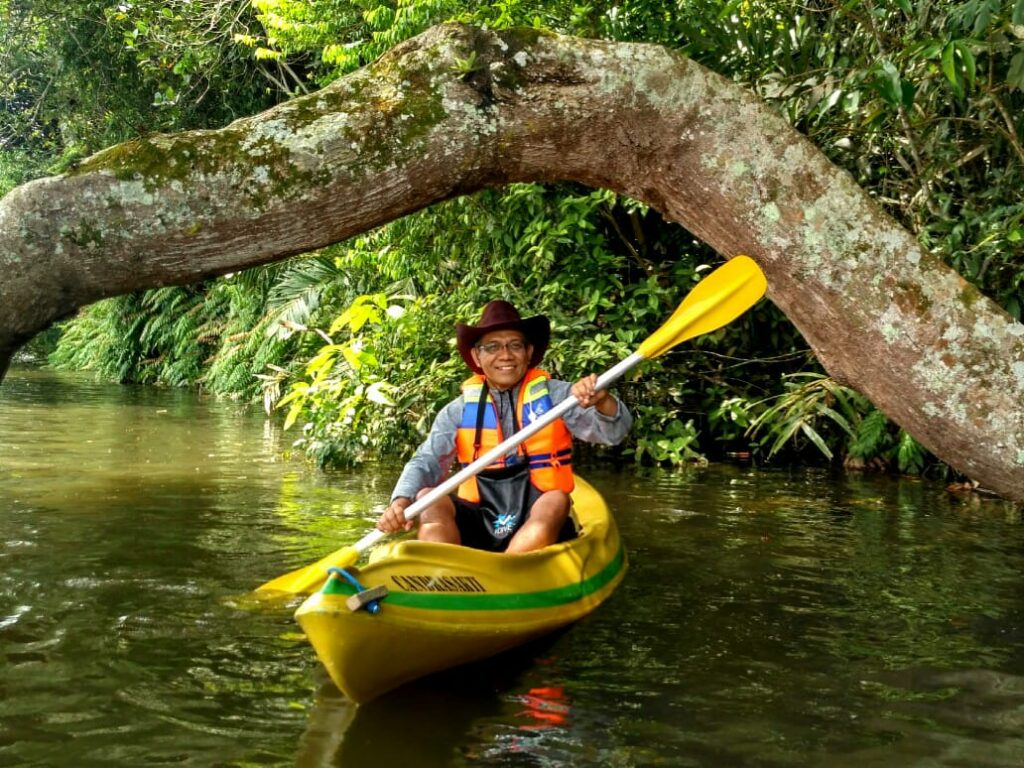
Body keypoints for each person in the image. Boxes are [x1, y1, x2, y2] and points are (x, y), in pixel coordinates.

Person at [376, 300, 632, 554]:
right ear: (478, 355)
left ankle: (509, 568)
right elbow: (427, 461)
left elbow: (613, 433)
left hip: (537, 513)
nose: (505, 355)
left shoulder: (559, 397)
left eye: (515, 345)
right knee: (427, 498)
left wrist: (603, 402)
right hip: (481, 514)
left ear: (529, 352)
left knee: (556, 499)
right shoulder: (459, 409)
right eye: (493, 347)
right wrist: (400, 501)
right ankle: (442, 571)